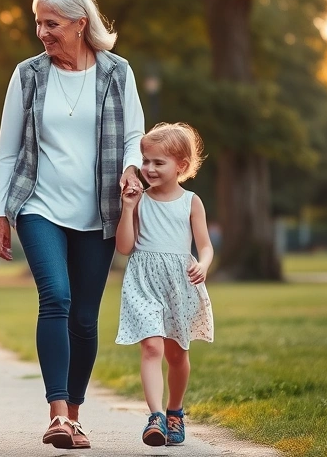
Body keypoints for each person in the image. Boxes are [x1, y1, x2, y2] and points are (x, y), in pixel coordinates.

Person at [0, 0, 145, 449]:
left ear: (81, 23)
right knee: (54, 297)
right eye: (38, 22)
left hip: (99, 210)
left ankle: (74, 415)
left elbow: (134, 134)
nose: (42, 31)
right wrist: (1, 213)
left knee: (84, 316)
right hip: (39, 205)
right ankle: (56, 413)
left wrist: (132, 170)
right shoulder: (29, 74)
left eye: (51, 23)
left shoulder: (117, 73)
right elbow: (8, 150)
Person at [115, 122, 214, 447]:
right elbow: (125, 247)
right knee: (153, 347)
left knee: (177, 354)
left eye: (159, 162)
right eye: (146, 161)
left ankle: (175, 410)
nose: (149, 168)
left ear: (181, 166)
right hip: (144, 280)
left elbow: (205, 245)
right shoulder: (139, 199)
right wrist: (128, 208)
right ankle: (155, 416)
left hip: (180, 283)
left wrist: (203, 263)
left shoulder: (191, 202)